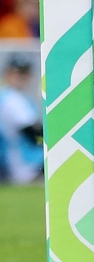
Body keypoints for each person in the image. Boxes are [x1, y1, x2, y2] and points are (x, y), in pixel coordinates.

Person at [0, 53, 43, 184]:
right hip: (25, 165)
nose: (21, 77)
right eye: (17, 72)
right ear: (7, 73)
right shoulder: (11, 99)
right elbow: (34, 133)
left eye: (24, 72)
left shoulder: (20, 97)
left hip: (29, 162)